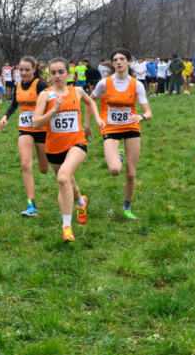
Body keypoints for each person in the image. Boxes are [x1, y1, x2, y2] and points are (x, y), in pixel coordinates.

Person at [33, 58, 102, 242]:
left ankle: (66, 228)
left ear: (68, 74)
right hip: (54, 148)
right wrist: (53, 110)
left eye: (61, 72)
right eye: (53, 73)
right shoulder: (45, 95)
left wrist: (89, 123)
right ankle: (81, 201)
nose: (57, 76)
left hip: (77, 143)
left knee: (63, 178)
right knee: (68, 183)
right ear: (49, 74)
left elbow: (91, 102)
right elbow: (36, 123)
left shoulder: (77, 91)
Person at [91, 49, 152, 220]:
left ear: (129, 62)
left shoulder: (137, 84)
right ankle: (119, 154)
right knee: (115, 170)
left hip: (131, 126)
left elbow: (149, 113)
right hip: (111, 128)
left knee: (131, 173)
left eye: (122, 59)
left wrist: (141, 117)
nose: (119, 62)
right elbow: (89, 100)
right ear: (112, 63)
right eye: (115, 59)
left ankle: (127, 207)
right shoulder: (104, 83)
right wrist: (95, 120)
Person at [0, 56, 49, 217]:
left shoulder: (40, 85)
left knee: (44, 169)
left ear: (34, 69)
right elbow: (15, 104)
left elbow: (52, 102)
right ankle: (31, 204)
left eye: (27, 70)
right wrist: (5, 116)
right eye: (21, 70)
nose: (24, 73)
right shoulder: (18, 86)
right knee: (26, 165)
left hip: (42, 130)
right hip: (25, 129)